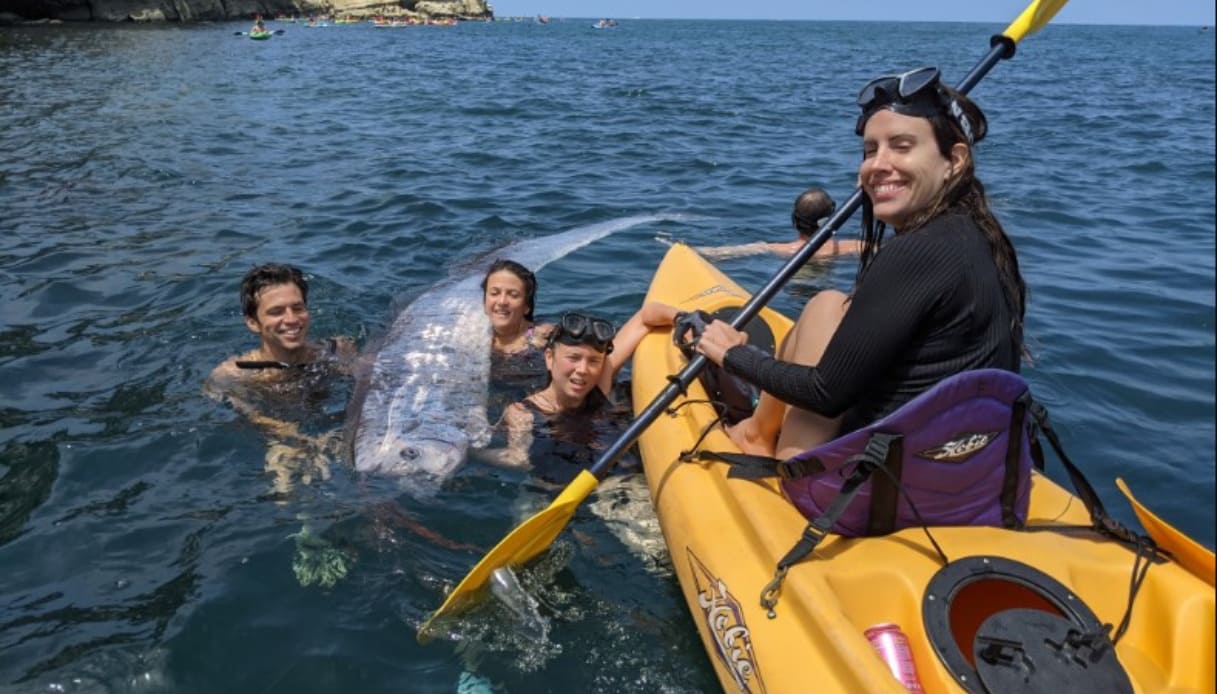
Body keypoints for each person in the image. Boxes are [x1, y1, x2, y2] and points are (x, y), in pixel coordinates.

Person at [694, 66, 1026, 461]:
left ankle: (760, 439)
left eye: (901, 146)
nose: (876, 165)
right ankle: (757, 432)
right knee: (829, 303)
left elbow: (824, 393)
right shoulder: (979, 238)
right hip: (961, 471)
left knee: (823, 305)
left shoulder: (918, 251)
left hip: (876, 491)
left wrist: (734, 355)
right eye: (871, 150)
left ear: (954, 160)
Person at [475, 302, 679, 480]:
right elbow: (516, 459)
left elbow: (645, 316)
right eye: (573, 358)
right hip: (552, 492)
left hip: (616, 485)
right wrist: (472, 453)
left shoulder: (600, 383)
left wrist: (683, 319)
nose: (582, 370)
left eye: (593, 361)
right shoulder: (522, 412)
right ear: (549, 358)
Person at [206, 263, 358, 493]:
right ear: (252, 322)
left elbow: (372, 385)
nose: (291, 319)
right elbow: (249, 414)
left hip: (334, 428)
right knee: (285, 488)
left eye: (297, 308)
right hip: (282, 438)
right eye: (276, 312)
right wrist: (293, 439)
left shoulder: (338, 351)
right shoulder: (235, 373)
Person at [687, 187, 863, 260]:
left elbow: (719, 253)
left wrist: (685, 249)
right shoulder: (853, 246)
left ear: (794, 220)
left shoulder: (777, 249)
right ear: (831, 219)